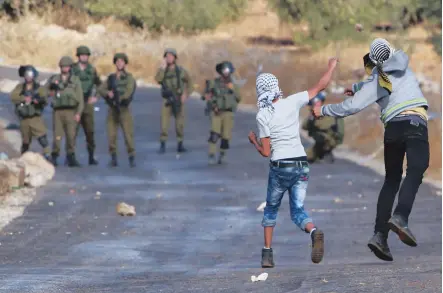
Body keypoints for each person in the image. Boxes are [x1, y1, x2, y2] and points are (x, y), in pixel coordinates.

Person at [313, 38, 429, 262]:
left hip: (393, 130)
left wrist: (324, 110)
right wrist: (357, 88)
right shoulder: (404, 64)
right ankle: (401, 217)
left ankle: (380, 236)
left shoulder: (378, 78)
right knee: (416, 168)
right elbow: (381, 82)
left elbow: (356, 104)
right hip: (414, 123)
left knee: (392, 180)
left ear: (375, 63)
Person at [248, 57, 339, 267]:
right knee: (297, 209)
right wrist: (331, 67)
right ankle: (314, 231)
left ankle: (267, 254)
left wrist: (254, 141)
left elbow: (266, 152)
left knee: (271, 209)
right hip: (301, 163)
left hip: (280, 167)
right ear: (277, 87)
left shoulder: (263, 115)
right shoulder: (293, 101)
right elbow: (320, 86)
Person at [98, 53, 136, 167]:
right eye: (118, 61)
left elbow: (129, 91)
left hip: (124, 109)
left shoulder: (129, 78)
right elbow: (100, 88)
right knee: (111, 135)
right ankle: (113, 158)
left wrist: (120, 97)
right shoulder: (111, 78)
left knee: (128, 135)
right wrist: (107, 93)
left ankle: (131, 157)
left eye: (122, 61)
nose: (119, 63)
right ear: (115, 63)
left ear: (125, 63)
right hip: (112, 109)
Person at [46, 56, 84, 167]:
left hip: (71, 111)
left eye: (67, 66)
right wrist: (50, 93)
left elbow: (80, 99)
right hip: (58, 111)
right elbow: (44, 91)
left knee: (71, 136)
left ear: (70, 67)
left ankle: (71, 156)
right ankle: (55, 156)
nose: (65, 68)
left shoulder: (75, 80)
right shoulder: (54, 79)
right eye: (63, 66)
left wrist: (79, 113)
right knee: (57, 136)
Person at [155, 48, 193, 154]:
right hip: (166, 100)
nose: (169, 58)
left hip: (178, 99)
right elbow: (158, 79)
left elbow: (190, 82)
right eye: (167, 56)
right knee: (164, 124)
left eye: (171, 56)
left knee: (179, 124)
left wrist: (185, 94)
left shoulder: (180, 71)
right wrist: (162, 68)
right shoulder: (163, 70)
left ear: (175, 58)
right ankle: (162, 144)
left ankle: (180, 144)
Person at [204, 61, 241, 164]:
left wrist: (233, 89)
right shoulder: (214, 83)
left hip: (228, 113)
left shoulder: (233, 85)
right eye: (223, 70)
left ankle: (222, 154)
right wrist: (212, 104)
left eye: (227, 70)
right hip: (216, 112)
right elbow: (207, 96)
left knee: (226, 136)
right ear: (220, 71)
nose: (225, 72)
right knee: (214, 134)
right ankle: (211, 154)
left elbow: (239, 98)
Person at [10, 65, 50, 159]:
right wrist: (24, 98)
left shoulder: (39, 88)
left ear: (34, 75)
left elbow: (45, 98)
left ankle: (48, 155)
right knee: (25, 140)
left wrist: (38, 100)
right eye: (26, 74)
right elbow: (13, 97)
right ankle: (23, 156)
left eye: (30, 74)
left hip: (35, 117)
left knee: (42, 137)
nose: (28, 76)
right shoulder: (20, 87)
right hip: (24, 118)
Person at [72, 45, 102, 165]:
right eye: (82, 55)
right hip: (75, 103)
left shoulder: (92, 70)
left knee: (90, 131)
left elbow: (100, 84)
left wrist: (96, 97)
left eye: (86, 55)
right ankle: (71, 156)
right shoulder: (73, 69)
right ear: (78, 56)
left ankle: (91, 156)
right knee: (72, 131)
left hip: (87, 103)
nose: (84, 57)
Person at [302, 91, 344, 163]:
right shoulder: (315, 113)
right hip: (323, 141)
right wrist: (311, 118)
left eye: (317, 102)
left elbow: (326, 126)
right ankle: (322, 154)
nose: (315, 104)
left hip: (329, 139)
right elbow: (304, 126)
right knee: (306, 156)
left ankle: (325, 153)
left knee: (320, 138)